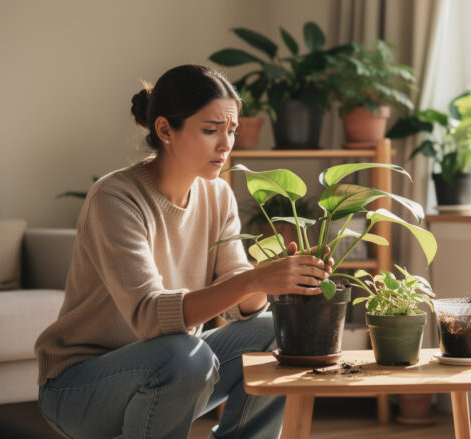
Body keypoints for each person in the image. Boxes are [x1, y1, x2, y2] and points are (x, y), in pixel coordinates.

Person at [34, 64, 330, 439]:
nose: (225, 145)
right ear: (164, 130)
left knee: (277, 331)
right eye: (210, 131)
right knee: (182, 355)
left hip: (172, 363)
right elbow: (148, 317)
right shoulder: (115, 198)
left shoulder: (218, 193)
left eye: (231, 131)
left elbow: (240, 306)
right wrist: (255, 278)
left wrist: (274, 277)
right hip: (80, 386)